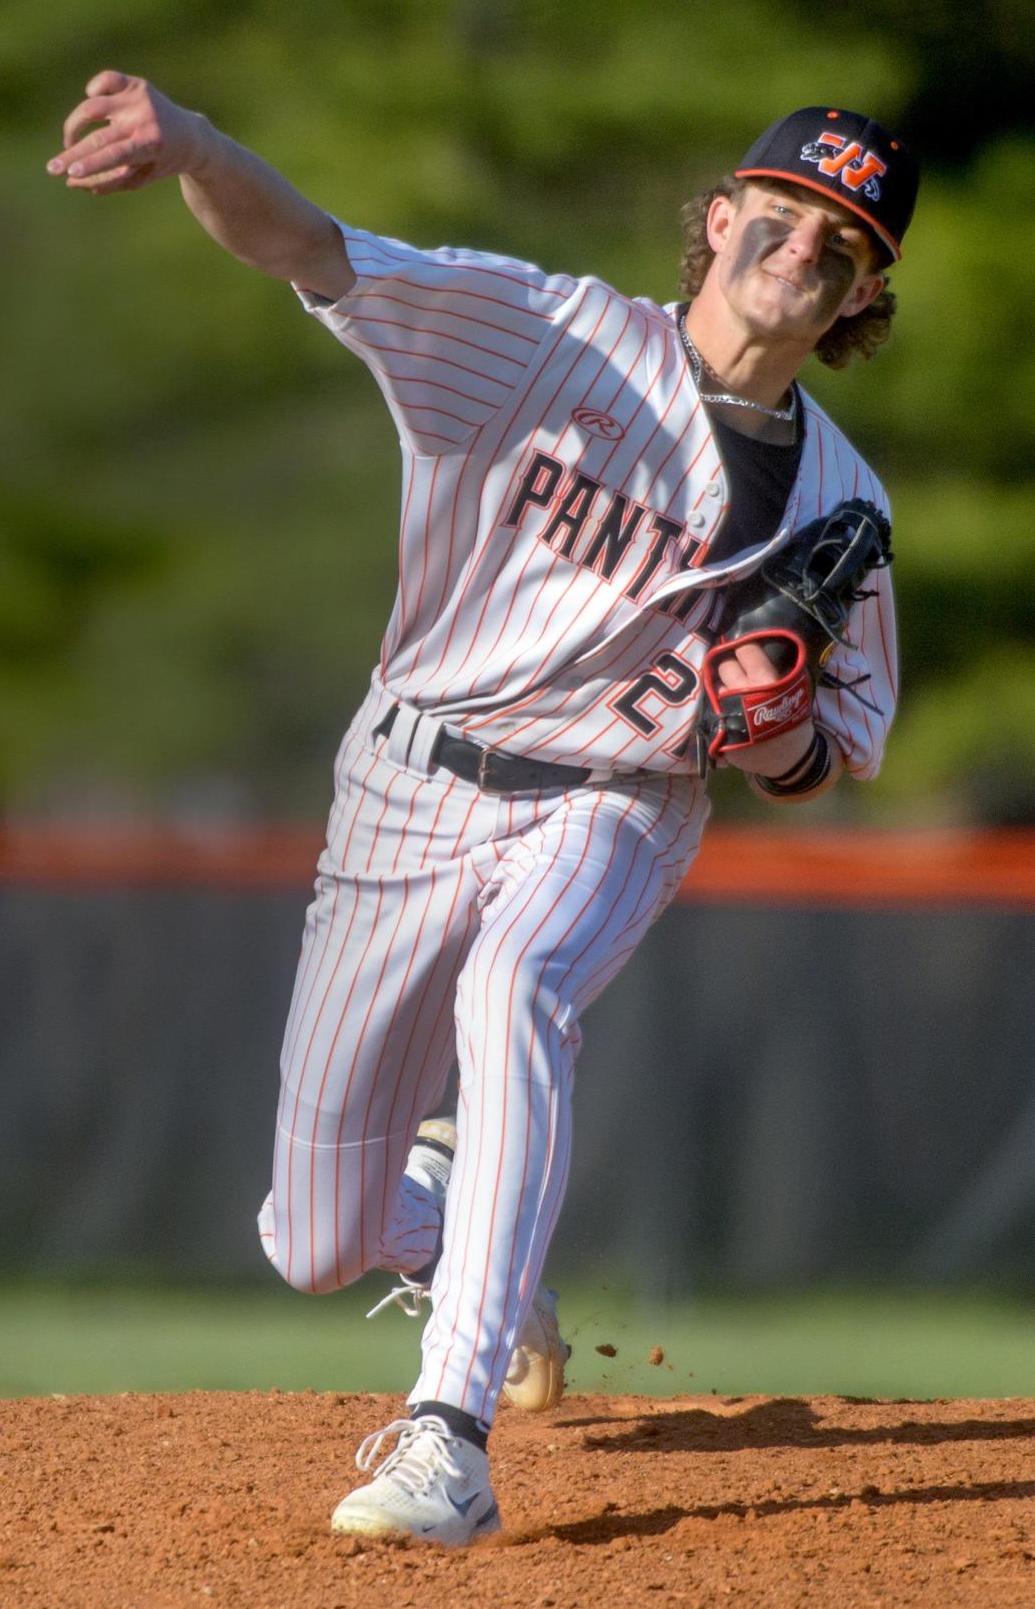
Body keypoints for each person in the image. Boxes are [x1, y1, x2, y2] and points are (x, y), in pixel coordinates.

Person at [48, 81, 917, 1546]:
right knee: (310, 1244)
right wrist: (194, 144)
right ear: (715, 220)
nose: (800, 251)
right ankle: (467, 1237)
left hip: (615, 801)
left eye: (840, 246)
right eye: (780, 215)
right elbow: (311, 251)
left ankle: (445, 1437)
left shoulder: (843, 504)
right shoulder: (546, 335)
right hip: (406, 773)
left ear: (857, 295)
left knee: (522, 986)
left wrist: (771, 746)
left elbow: (829, 758)